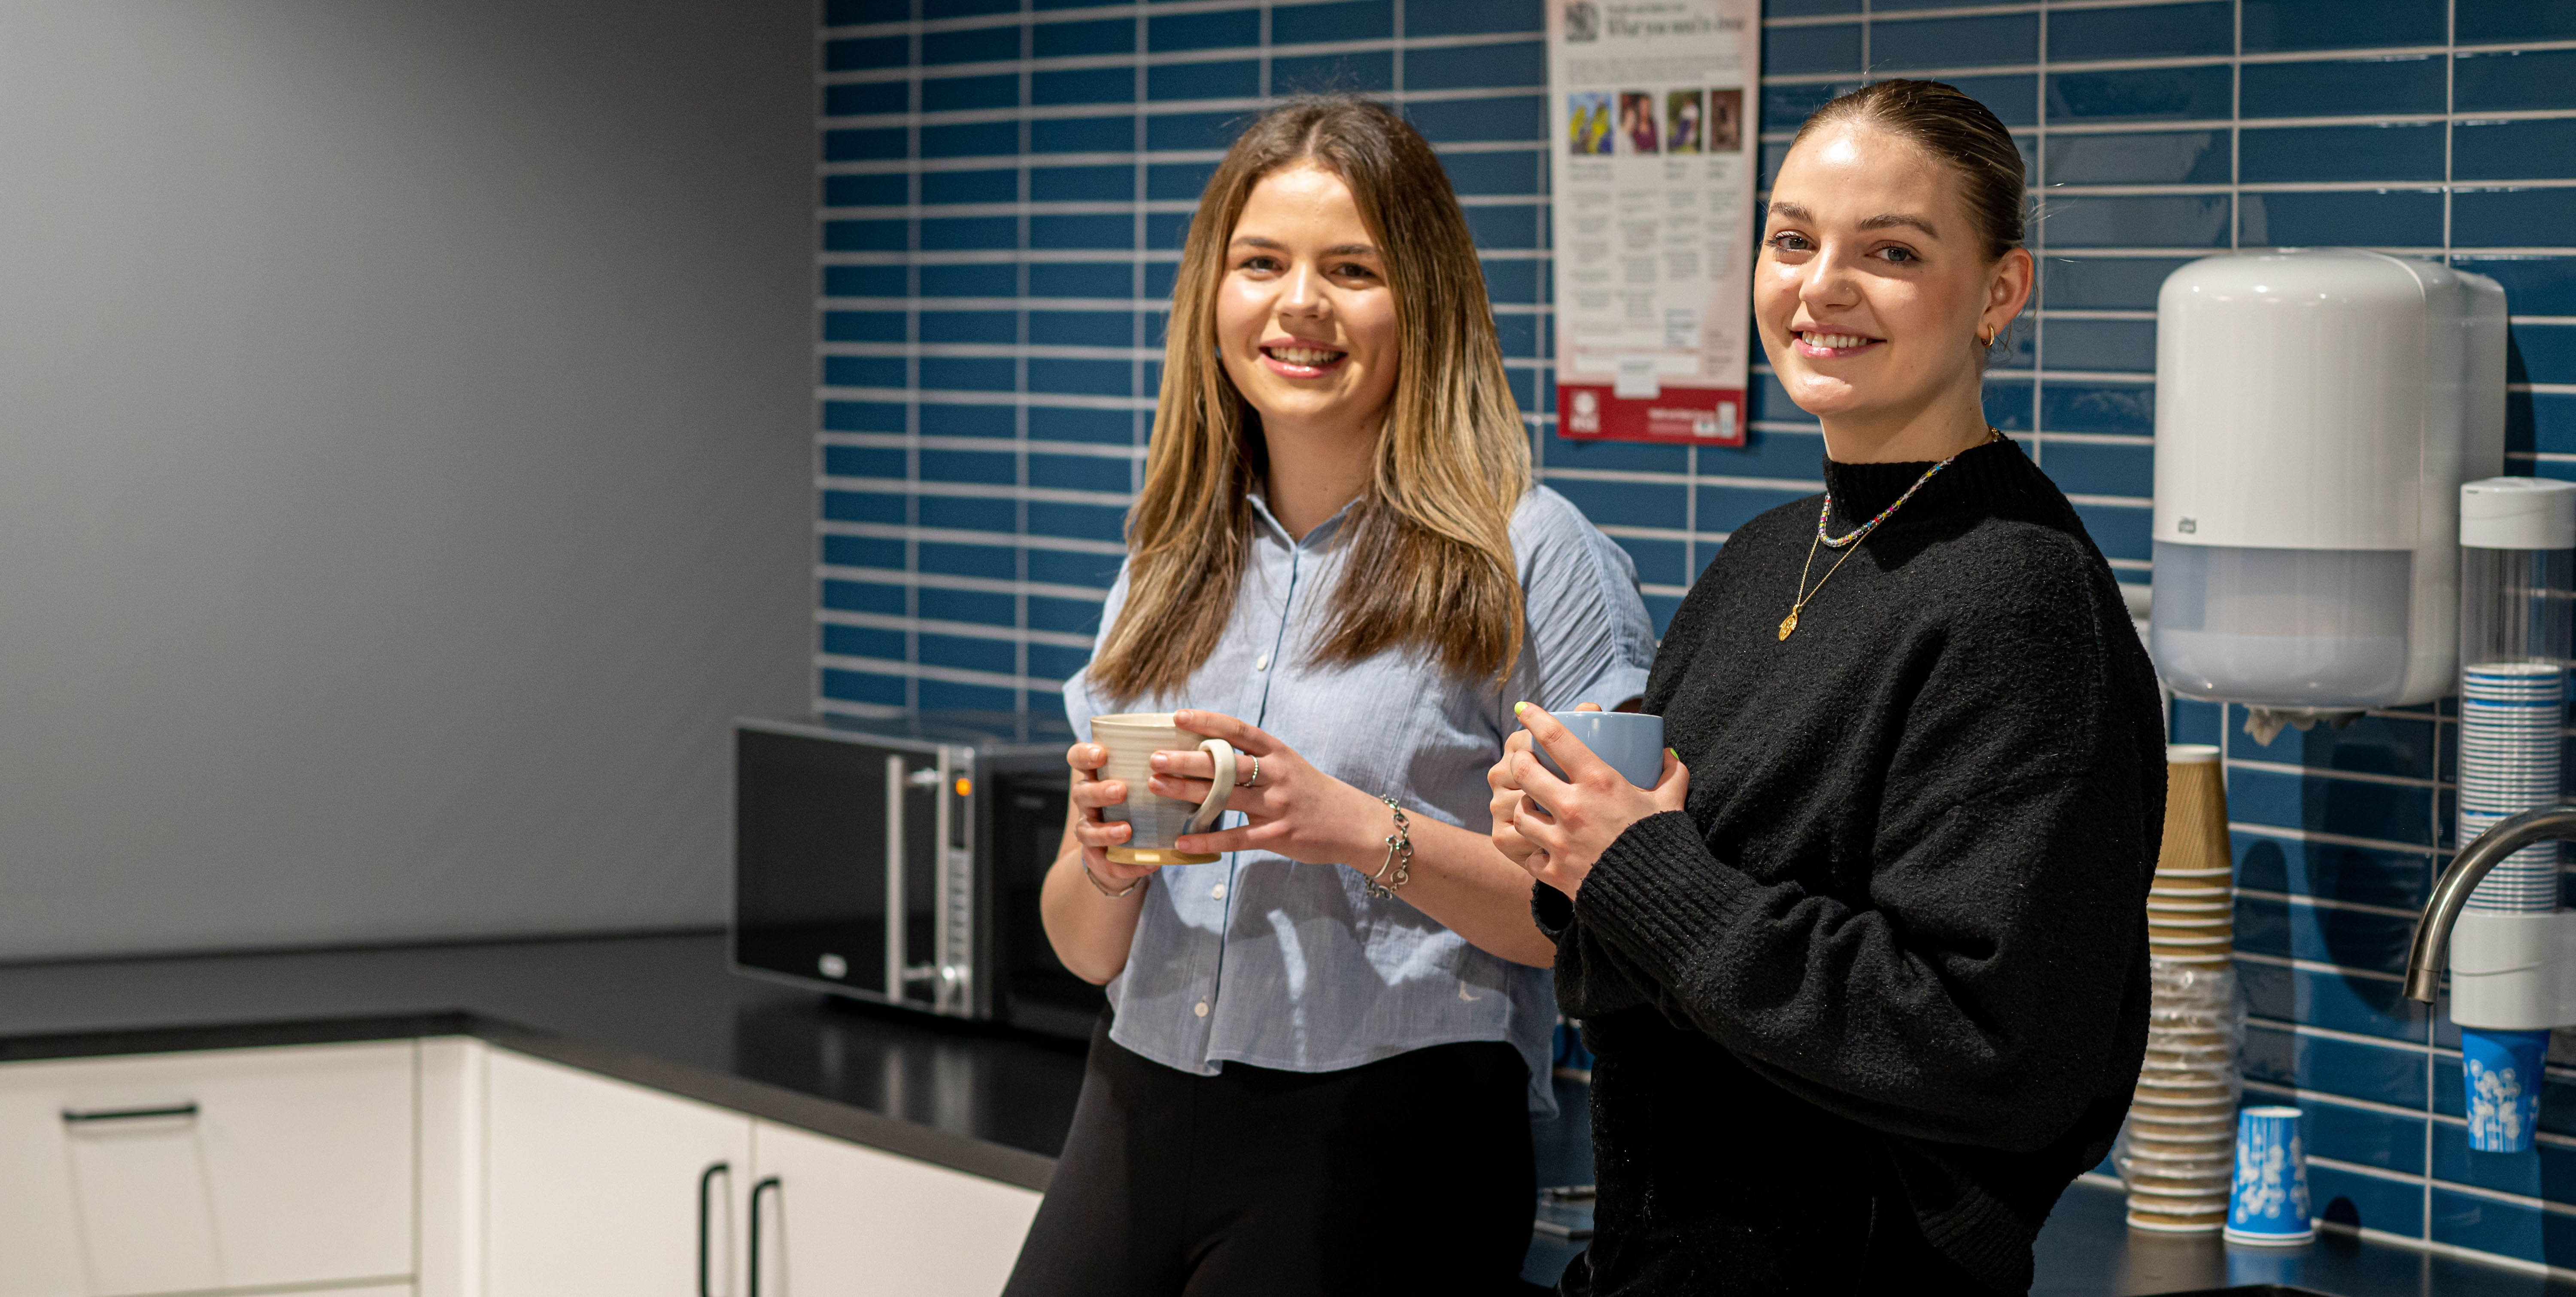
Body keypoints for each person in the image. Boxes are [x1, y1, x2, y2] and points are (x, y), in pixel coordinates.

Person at [1486, 80, 2163, 1296]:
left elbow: (1985, 1044)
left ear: (2000, 293)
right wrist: (1567, 845)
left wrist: (1635, 867)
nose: (1822, 286)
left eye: (1891, 251)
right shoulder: (1760, 560)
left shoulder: (2020, 600)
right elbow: (1625, 962)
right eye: (1794, 239)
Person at [1003, 95, 1655, 1297]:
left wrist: (1349, 823)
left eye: (1351, 268)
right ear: (1215, 294)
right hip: (1138, 1097)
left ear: (1426, 300)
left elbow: (1597, 919)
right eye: (1262, 263)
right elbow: (1088, 947)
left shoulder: (1533, 555)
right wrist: (1101, 864)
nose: (1299, 304)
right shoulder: (1166, 563)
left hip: (1394, 1132)